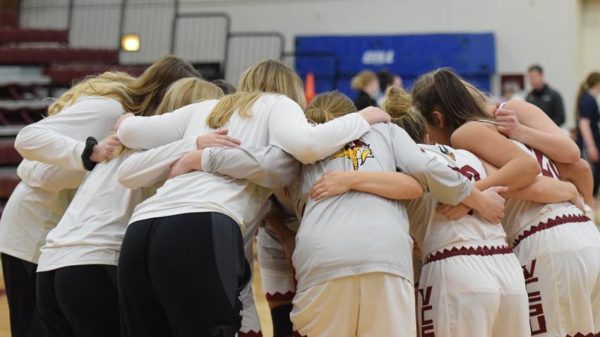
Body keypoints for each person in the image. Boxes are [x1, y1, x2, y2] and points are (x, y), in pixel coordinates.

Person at [186, 90, 508, 337]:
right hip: (387, 257)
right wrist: (472, 195)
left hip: (324, 258)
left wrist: (201, 157)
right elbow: (425, 170)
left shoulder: (302, 148)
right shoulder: (384, 132)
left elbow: (259, 162)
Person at [114, 60, 391, 337]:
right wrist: (362, 118)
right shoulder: (278, 103)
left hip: (140, 230)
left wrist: (131, 125)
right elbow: (307, 146)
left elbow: (129, 136)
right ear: (290, 90)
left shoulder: (205, 108)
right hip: (200, 226)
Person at [0, 55, 201, 337]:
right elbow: (29, 148)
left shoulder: (137, 128)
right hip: (36, 227)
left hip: (63, 236)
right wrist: (88, 156)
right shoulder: (110, 109)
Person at [412, 68, 600, 337]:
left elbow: (527, 174)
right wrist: (572, 193)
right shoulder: (512, 111)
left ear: (437, 119)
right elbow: (578, 164)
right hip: (586, 234)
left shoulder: (465, 135)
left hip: (545, 242)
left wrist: (469, 195)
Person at [33, 78, 224, 337]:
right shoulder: (165, 147)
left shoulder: (125, 139)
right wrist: (195, 144)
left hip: (51, 266)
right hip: (96, 263)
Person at [576, 72, 600, 196]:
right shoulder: (589, 100)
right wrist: (591, 147)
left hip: (591, 142)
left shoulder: (589, 98)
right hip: (588, 144)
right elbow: (584, 124)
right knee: (591, 177)